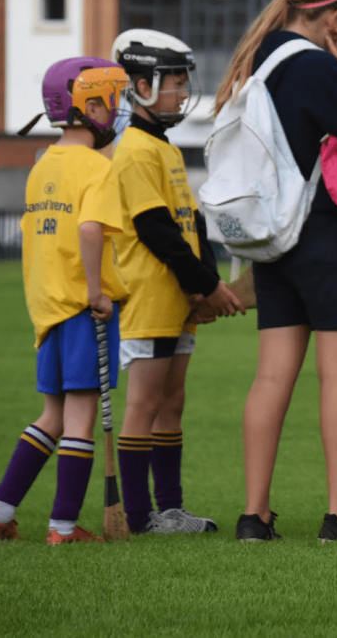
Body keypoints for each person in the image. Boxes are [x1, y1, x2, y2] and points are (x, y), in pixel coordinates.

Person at [213, 0, 337, 543]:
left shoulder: (258, 61)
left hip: (273, 241)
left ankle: (255, 515)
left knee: (271, 378)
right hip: (324, 237)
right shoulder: (316, 64)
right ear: (332, 15)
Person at [0, 58, 130, 544]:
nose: (118, 112)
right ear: (91, 106)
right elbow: (88, 229)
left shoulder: (43, 165)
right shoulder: (97, 167)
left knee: (53, 416)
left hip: (46, 308)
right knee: (80, 417)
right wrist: (96, 292)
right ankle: (62, 528)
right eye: (113, 101)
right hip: (85, 308)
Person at [110, 28, 244, 536]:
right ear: (140, 84)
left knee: (173, 402)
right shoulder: (135, 150)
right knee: (144, 404)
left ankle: (170, 509)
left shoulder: (162, 148)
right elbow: (156, 232)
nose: (182, 91)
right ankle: (140, 517)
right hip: (149, 294)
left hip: (178, 295)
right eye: (173, 81)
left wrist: (204, 284)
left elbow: (192, 226)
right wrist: (209, 287)